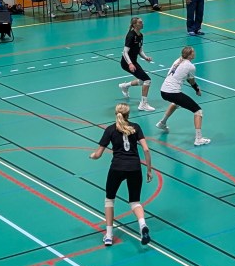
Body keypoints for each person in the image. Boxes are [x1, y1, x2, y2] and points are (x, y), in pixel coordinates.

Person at [89, 103, 154, 246]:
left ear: (116, 113)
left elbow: (98, 154)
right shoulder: (136, 127)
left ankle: (109, 236)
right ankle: (142, 225)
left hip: (117, 168)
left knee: (109, 200)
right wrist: (149, 170)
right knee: (135, 202)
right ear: (128, 114)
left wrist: (92, 156)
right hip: (134, 168)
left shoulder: (110, 130)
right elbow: (146, 150)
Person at [156, 46, 210, 146]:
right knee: (198, 111)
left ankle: (162, 123)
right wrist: (197, 89)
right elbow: (191, 81)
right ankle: (198, 139)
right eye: (193, 52)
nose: (194, 53)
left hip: (163, 91)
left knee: (176, 103)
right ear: (190, 55)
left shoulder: (178, 60)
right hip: (173, 92)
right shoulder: (190, 66)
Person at [117, 17, 156, 112]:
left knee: (143, 80)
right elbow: (125, 52)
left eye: (142, 22)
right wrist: (130, 64)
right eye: (140, 22)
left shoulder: (140, 35)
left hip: (133, 62)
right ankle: (143, 104)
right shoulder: (130, 36)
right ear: (134, 25)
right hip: (126, 63)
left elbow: (140, 50)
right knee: (147, 80)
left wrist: (146, 57)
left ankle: (125, 86)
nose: (142, 24)